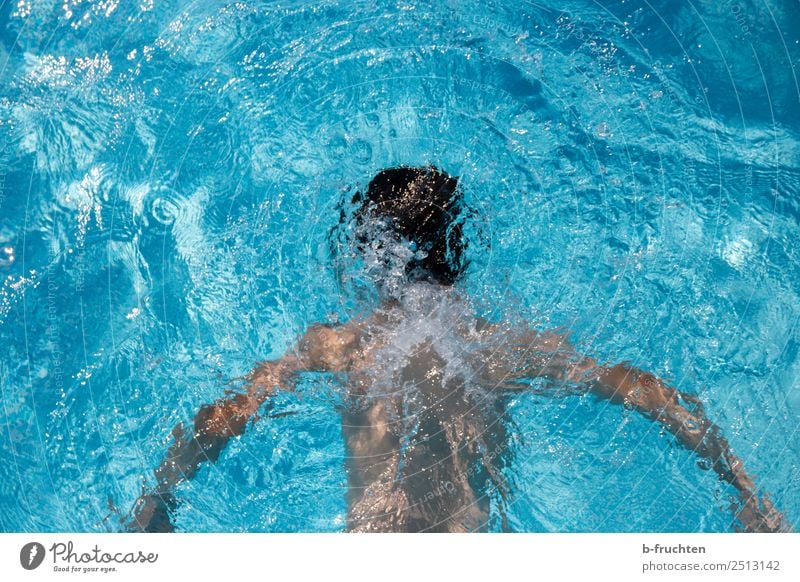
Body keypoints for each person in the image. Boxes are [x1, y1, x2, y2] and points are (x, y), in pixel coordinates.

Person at [128, 166, 786, 533]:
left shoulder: (340, 345)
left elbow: (228, 416)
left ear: (366, 258)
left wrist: (159, 495)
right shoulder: (502, 348)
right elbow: (639, 389)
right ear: (461, 256)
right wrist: (744, 487)